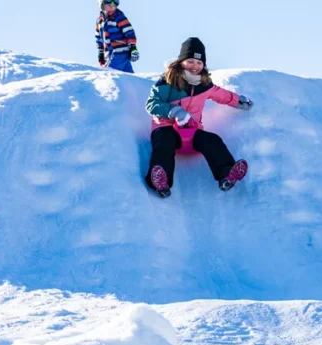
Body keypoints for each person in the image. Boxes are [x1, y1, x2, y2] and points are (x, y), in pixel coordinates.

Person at [144, 38, 253, 198]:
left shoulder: (204, 85)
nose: (195, 66)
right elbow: (151, 104)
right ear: (181, 62)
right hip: (166, 128)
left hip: (190, 130)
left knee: (212, 140)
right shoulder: (167, 82)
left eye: (198, 62)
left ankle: (226, 174)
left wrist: (238, 100)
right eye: (190, 61)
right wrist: (174, 111)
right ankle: (161, 181)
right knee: (164, 144)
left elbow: (222, 95)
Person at [95, 0, 139, 73]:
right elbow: (98, 38)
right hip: (109, 54)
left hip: (119, 52)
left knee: (110, 73)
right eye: (109, 5)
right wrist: (101, 53)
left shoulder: (118, 16)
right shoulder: (99, 21)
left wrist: (133, 48)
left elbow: (129, 32)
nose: (112, 7)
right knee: (128, 76)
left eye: (114, 5)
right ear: (102, 5)